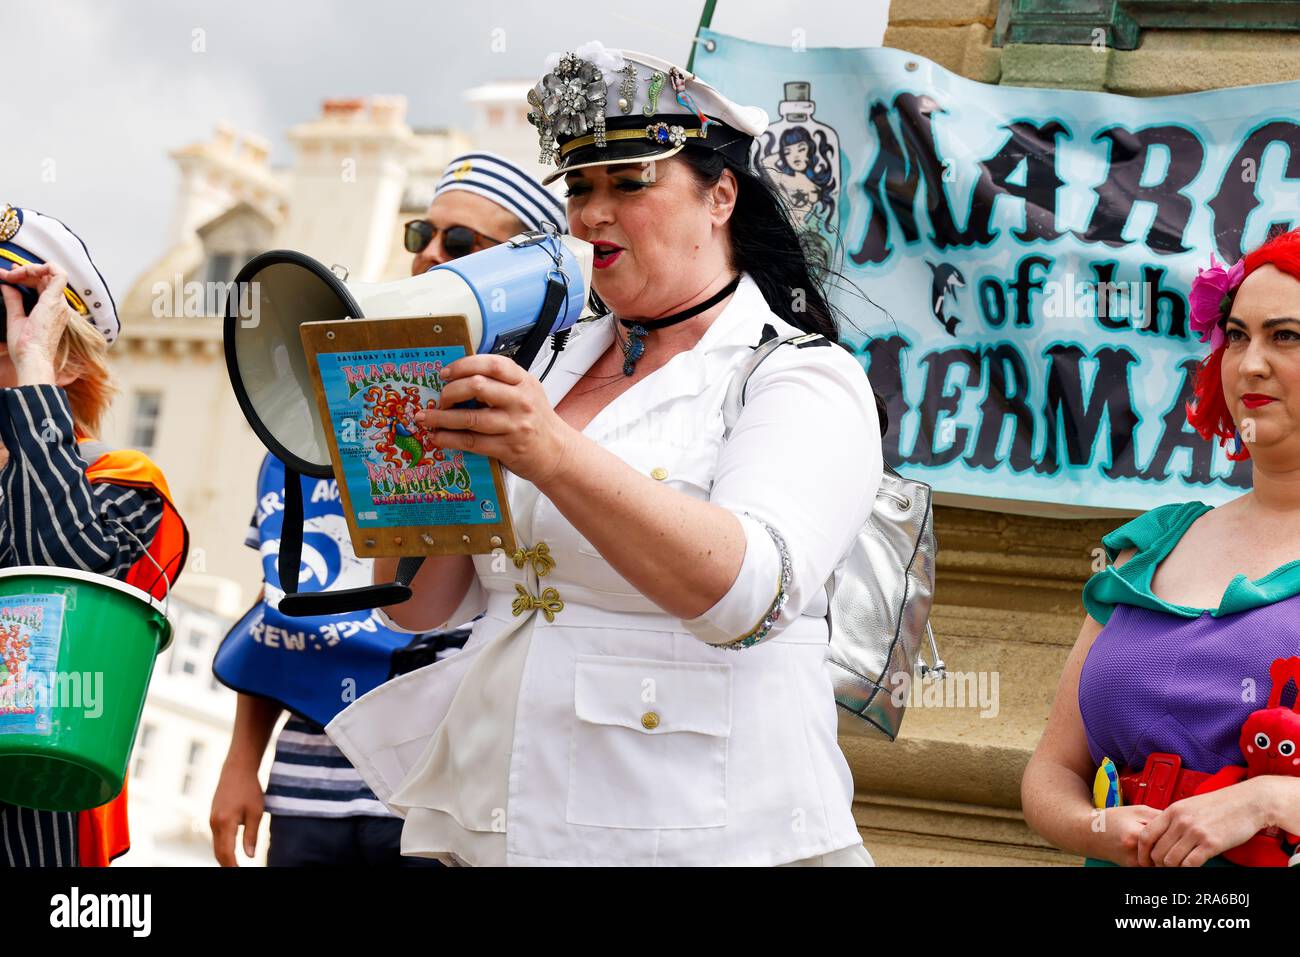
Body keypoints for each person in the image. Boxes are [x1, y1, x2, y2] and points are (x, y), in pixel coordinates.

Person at [326, 42, 884, 866]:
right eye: (580, 188)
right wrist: (400, 449)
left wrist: (551, 453)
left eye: (630, 184)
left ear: (721, 196)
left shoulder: (801, 375)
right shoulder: (545, 362)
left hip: (697, 836)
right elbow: (418, 605)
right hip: (496, 817)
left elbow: (748, 595)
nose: (592, 214)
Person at [209, 153, 565, 867]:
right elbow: (283, 600)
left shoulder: (543, 420)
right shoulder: (312, 413)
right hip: (309, 781)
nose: (432, 255)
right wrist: (241, 758)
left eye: (461, 245)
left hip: (440, 794)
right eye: (422, 235)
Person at [1023, 228, 1300, 867]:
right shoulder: (1156, 540)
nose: (1251, 362)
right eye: (1236, 335)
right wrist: (1101, 829)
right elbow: (1052, 772)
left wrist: (1266, 802)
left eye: (1285, 336)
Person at [0, 204, 188, 867]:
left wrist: (31, 373)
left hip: (35, 833)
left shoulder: (127, 480)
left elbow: (59, 580)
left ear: (65, 363)